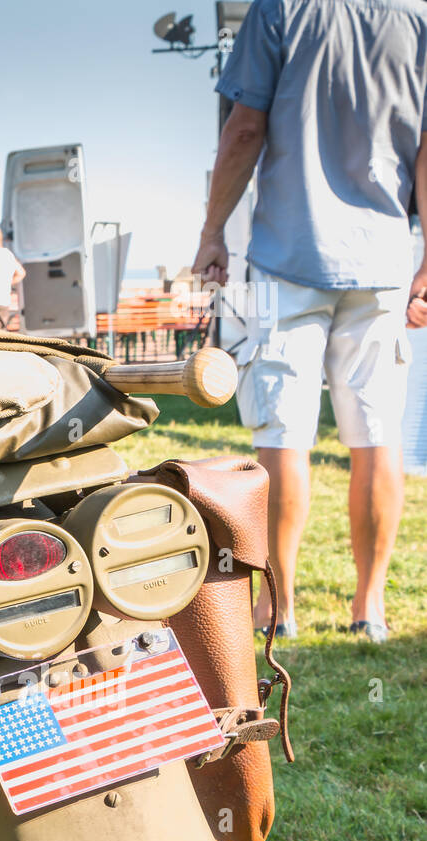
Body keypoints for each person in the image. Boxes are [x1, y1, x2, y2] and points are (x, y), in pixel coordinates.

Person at [192, 0, 427, 644]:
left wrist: (213, 232)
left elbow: (244, 129)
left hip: (285, 257)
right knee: (377, 438)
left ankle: (279, 608)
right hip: (381, 261)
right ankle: (368, 609)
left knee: (283, 434)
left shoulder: (281, 10)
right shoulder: (417, 21)